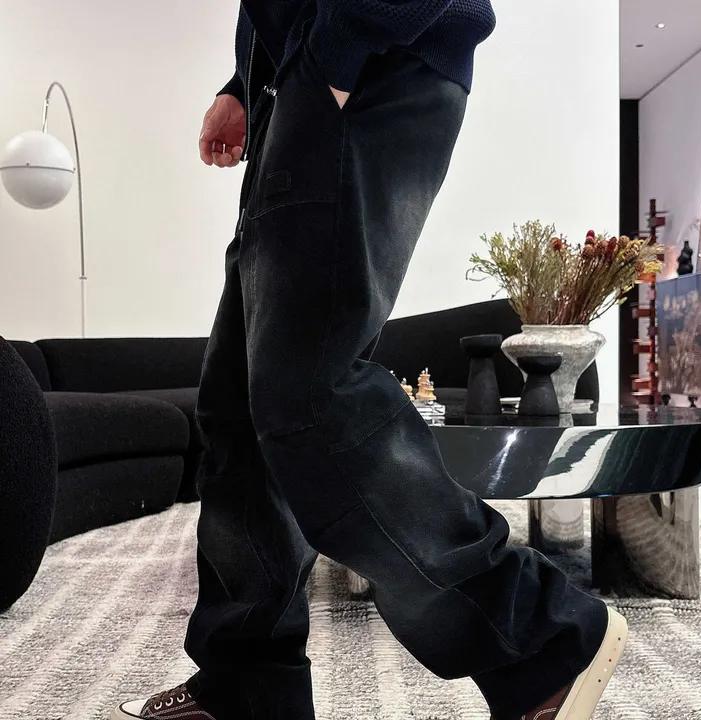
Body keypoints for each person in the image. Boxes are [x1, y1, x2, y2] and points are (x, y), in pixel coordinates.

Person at [112, 1, 628, 718]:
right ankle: (248, 685)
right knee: (239, 407)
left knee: (307, 393)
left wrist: (340, 43)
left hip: (367, 49)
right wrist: (244, 83)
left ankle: (536, 639)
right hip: (297, 73)